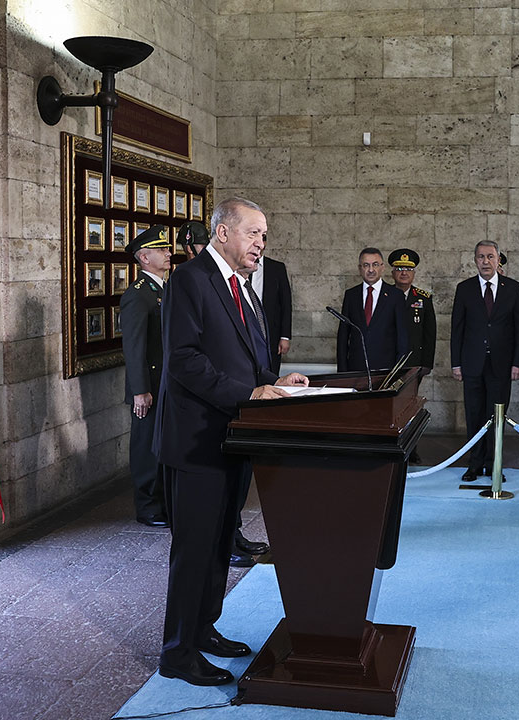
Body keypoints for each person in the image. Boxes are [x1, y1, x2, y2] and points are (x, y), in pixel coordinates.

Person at [156, 197, 308, 686]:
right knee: (195, 550)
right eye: (253, 233)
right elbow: (184, 359)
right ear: (223, 233)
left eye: (264, 235)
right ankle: (178, 652)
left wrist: (275, 383)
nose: (261, 243)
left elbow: (249, 357)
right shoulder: (190, 280)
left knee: (222, 543)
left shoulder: (244, 287)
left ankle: (204, 629)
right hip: (198, 440)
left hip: (235, 438)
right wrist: (249, 391)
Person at [452, 240, 519, 482]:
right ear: (474, 260)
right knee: (474, 415)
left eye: (490, 257)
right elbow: (457, 330)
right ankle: (474, 464)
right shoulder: (464, 289)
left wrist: (518, 363)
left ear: (498, 260)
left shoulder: (513, 288)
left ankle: (494, 464)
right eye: (481, 257)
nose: (486, 261)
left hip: (502, 365)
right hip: (472, 363)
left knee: (496, 417)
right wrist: (456, 363)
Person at [121, 226, 173, 528]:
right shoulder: (138, 296)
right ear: (144, 257)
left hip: (165, 383)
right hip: (149, 386)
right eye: (161, 250)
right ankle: (148, 507)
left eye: (167, 249)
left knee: (161, 445)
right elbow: (135, 347)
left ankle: (162, 501)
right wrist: (140, 390)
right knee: (145, 448)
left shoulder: (161, 289)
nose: (168, 253)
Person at [336, 247, 408, 372]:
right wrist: (342, 371)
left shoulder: (395, 296)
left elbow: (402, 338)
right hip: (355, 369)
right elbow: (343, 336)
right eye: (366, 265)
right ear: (360, 268)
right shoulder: (351, 295)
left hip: (386, 370)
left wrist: (398, 372)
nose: (370, 270)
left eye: (375, 265)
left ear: (382, 267)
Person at [250, 234, 292, 376]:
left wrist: (285, 337)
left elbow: (286, 304)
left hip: (271, 335)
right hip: (247, 330)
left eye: (262, 240)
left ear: (265, 243)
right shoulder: (241, 267)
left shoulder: (277, 268)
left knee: (272, 374)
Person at [388, 248, 436, 370]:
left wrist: (426, 364)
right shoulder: (384, 296)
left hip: (414, 360)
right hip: (387, 359)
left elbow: (429, 334)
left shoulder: (424, 298)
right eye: (399, 269)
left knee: (411, 390)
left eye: (409, 269)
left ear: (414, 273)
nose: (404, 273)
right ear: (392, 273)